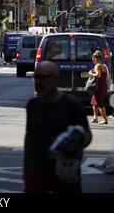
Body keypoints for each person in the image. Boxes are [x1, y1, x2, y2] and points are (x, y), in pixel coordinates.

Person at [24, 61, 92, 193]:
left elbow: (87, 135)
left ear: (55, 79)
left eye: (43, 78)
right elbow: (29, 137)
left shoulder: (72, 105)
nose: (38, 82)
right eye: (36, 77)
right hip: (36, 171)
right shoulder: (32, 105)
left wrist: (71, 146)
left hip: (64, 173)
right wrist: (26, 170)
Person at [89, 50, 108, 125]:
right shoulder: (104, 66)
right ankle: (95, 118)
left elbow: (98, 75)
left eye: (93, 58)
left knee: (100, 103)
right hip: (102, 86)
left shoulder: (97, 66)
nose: (93, 60)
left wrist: (91, 73)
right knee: (94, 102)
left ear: (96, 58)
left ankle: (105, 119)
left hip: (99, 87)